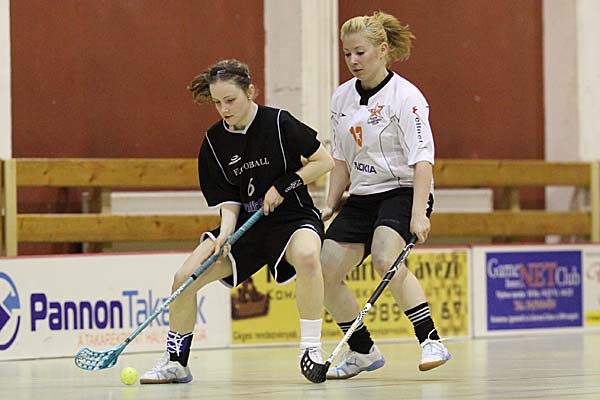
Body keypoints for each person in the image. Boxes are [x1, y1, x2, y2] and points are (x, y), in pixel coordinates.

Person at [140, 59, 334, 384]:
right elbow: (229, 201)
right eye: (217, 103)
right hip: (247, 227)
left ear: (251, 92)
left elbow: (323, 161)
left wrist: (283, 186)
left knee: (307, 256)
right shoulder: (214, 141)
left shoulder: (279, 122)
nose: (224, 109)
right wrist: (225, 236)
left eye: (230, 100)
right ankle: (176, 362)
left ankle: (311, 350)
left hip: (292, 217)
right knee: (184, 278)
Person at [320, 11, 451, 379]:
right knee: (324, 271)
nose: (353, 60)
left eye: (360, 52)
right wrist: (329, 204)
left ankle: (431, 341)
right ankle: (362, 351)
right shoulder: (341, 97)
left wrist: (419, 213)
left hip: (404, 191)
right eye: (347, 54)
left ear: (382, 50)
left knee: (384, 257)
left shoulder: (406, 97)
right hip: (362, 195)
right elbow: (340, 159)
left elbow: (423, 160)